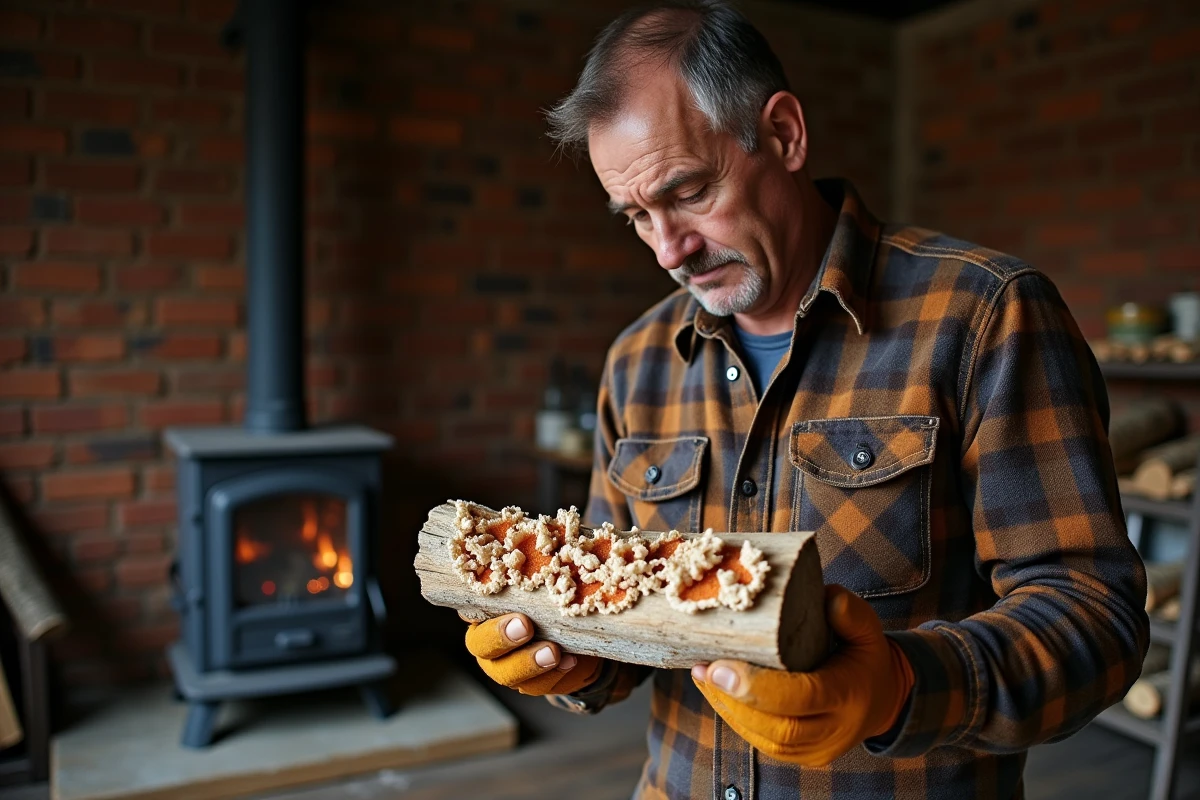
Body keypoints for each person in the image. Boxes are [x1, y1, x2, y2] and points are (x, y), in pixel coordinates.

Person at [462, 2, 1150, 797]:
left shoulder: (986, 315)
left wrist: (896, 686)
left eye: (687, 192)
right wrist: (572, 656)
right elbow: (625, 621)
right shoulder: (636, 363)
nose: (668, 249)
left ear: (784, 134)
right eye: (636, 218)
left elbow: (1094, 619)